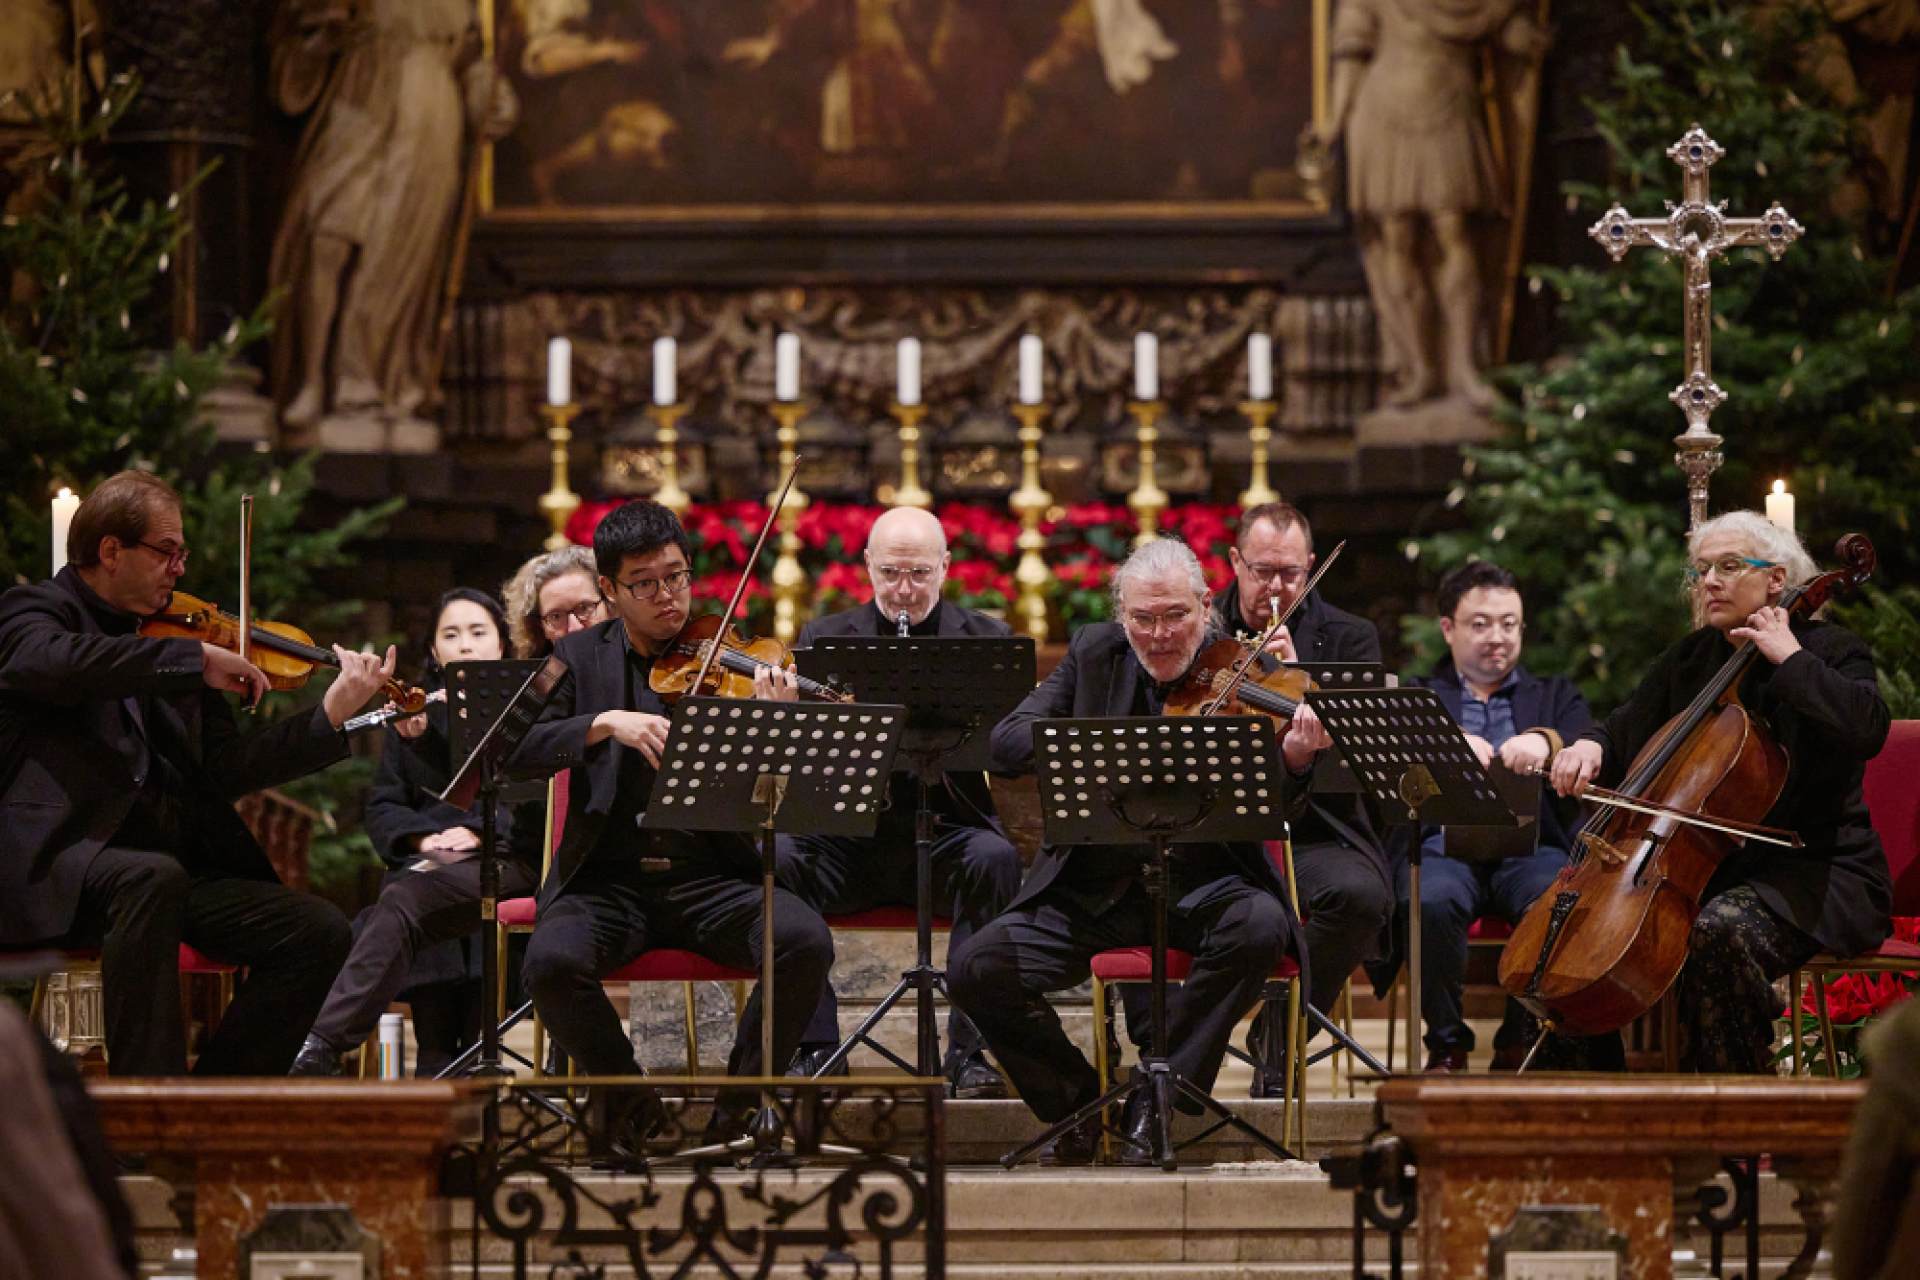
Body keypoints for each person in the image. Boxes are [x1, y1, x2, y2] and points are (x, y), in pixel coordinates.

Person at [0, 470, 394, 1075]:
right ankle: (151, 1106)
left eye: (182, 554)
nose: (180, 570)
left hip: (168, 879)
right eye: (167, 552)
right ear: (110, 550)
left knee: (316, 930)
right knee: (149, 879)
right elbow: (47, 662)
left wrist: (328, 716)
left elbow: (224, 769)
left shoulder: (178, 635)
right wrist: (190, 659)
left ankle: (216, 1100)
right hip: (64, 868)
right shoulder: (37, 612)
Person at [947, 537, 1321, 1165]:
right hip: (1093, 886)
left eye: (1176, 616)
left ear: (1206, 607)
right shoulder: (1095, 654)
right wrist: (1099, 748)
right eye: (1142, 619)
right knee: (977, 968)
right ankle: (1077, 1103)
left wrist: (1296, 757)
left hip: (1206, 885)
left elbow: (1281, 808)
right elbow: (1005, 743)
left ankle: (1160, 1093)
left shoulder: (1248, 676)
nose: (1159, 635)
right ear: (1121, 616)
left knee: (1260, 924)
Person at [511, 500, 834, 1135]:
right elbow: (513, 749)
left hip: (712, 877)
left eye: (678, 576)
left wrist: (774, 725)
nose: (668, 598)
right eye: (646, 584)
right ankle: (633, 1111)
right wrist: (604, 724)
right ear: (609, 588)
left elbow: (784, 791)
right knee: (549, 963)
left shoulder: (734, 659)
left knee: (804, 941)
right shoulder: (577, 659)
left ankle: (737, 1110)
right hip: (607, 882)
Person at [1552, 511, 1893, 1073]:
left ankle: (1737, 1117)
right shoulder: (1692, 658)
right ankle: (1604, 1115)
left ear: (1777, 579)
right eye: (1702, 570)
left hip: (1818, 872)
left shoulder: (1832, 650)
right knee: (1575, 933)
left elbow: (1868, 729)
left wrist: (1792, 658)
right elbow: (1622, 727)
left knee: (1718, 930)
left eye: (1729, 566)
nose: (1709, 581)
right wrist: (1590, 746)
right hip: (1712, 872)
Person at [766, 507, 1022, 1097]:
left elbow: (1008, 750)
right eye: (890, 574)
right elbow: (800, 758)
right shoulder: (824, 641)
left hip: (947, 833)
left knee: (997, 858)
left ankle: (970, 1052)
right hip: (849, 841)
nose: (904, 590)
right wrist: (792, 715)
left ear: (945, 568)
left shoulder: (988, 640)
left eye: (919, 574)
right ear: (867, 568)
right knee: (779, 858)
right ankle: (815, 1045)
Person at [290, 589, 539, 1077]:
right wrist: (424, 841)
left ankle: (434, 1051)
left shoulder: (528, 707)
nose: (465, 646)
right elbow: (385, 804)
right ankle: (435, 1052)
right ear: (433, 651)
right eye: (451, 635)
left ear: (504, 644)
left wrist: (479, 836)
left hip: (507, 853)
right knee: (414, 883)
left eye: (477, 632)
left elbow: (538, 799)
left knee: (402, 902)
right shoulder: (416, 713)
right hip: (433, 862)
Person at [1205, 501, 1392, 1082]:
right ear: (1235, 561)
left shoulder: (1350, 639)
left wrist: (1298, 679)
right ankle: (1173, 1047)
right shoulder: (1197, 628)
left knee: (1362, 897)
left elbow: (1361, 760)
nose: (1277, 587)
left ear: (1311, 566)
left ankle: (1281, 1029)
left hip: (1315, 829)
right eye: (1262, 571)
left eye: (1291, 573)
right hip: (1220, 829)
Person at [1400, 560, 1597, 1071]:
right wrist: (1442, 744)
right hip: (1445, 847)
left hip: (1530, 847)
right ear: (1449, 629)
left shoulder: (1553, 695)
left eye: (1509, 624)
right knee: (1432, 897)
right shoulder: (1420, 694)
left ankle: (1519, 1037)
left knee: (1553, 894)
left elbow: (1590, 740)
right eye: (1481, 623)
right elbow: (1392, 761)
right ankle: (1446, 1044)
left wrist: (1545, 740)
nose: (1498, 637)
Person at [502, 544, 611, 661]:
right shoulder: (536, 678)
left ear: (611, 605)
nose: (575, 628)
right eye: (556, 616)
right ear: (539, 629)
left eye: (584, 608)